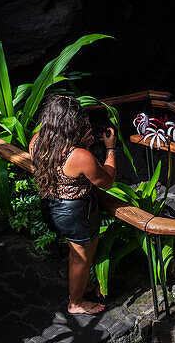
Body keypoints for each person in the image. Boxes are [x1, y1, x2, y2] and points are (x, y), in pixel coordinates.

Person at [29, 95, 117, 315]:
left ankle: (81, 284)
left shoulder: (37, 140)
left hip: (50, 205)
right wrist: (110, 149)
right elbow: (107, 181)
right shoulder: (80, 156)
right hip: (76, 214)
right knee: (80, 259)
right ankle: (76, 303)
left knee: (78, 254)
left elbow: (58, 164)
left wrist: (80, 145)